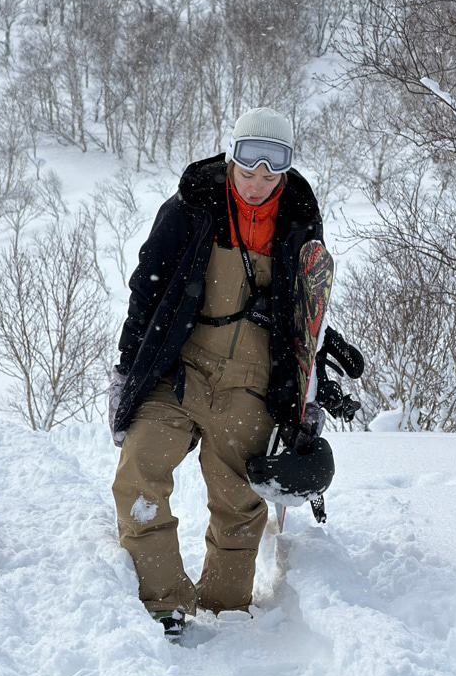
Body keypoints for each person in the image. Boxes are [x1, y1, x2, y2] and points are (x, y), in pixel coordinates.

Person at [109, 107, 330, 637]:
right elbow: (146, 291)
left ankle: (227, 614)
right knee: (139, 472)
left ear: (284, 173)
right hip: (179, 368)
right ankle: (163, 602)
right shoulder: (191, 207)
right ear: (231, 159)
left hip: (252, 381)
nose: (257, 184)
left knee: (240, 504)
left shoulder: (299, 221)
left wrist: (310, 391)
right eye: (248, 172)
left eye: (270, 176)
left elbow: (307, 311)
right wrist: (126, 371)